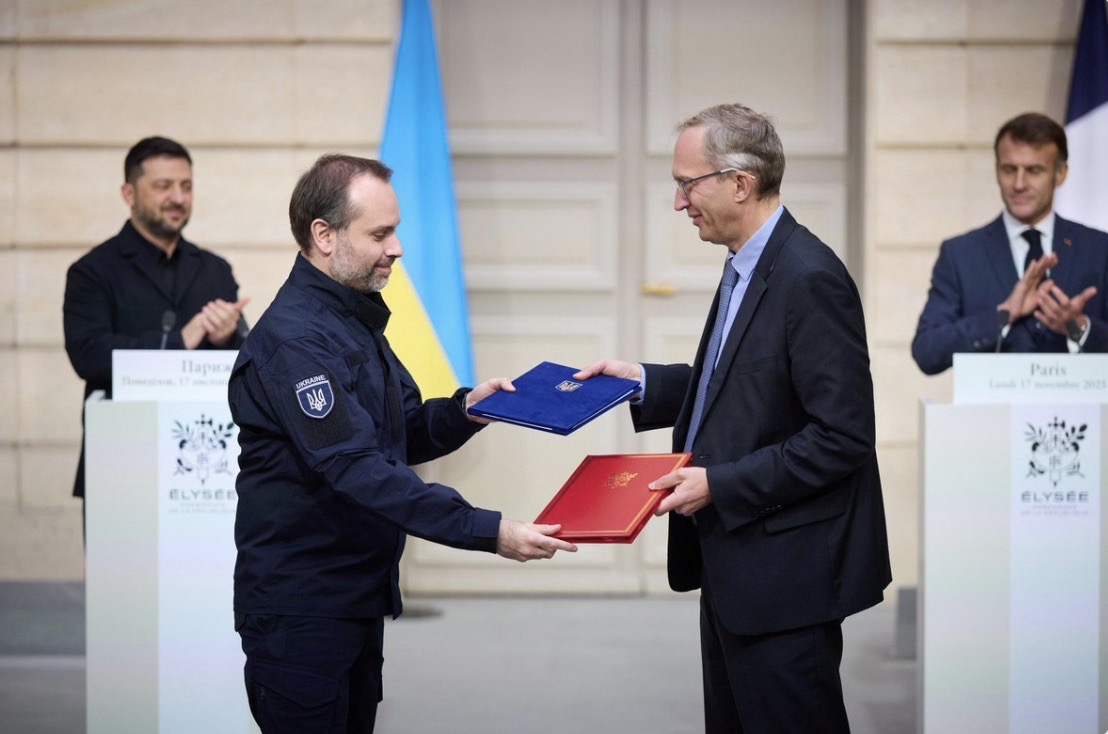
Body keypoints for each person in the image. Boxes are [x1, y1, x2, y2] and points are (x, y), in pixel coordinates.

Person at [228, 153, 577, 733]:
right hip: (303, 606)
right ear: (324, 236)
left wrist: (467, 410)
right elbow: (357, 466)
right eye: (380, 233)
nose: (397, 249)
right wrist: (489, 530)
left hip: (353, 596)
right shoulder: (295, 341)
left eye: (397, 231)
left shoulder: (352, 319)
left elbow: (401, 431)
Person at [576, 104, 891, 733]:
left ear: (739, 183)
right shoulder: (748, 263)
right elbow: (742, 387)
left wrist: (718, 483)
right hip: (736, 559)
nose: (679, 203)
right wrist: (641, 382)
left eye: (687, 184)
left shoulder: (809, 278)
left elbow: (842, 437)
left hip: (785, 573)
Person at [63, 135, 250, 500]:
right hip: (120, 461)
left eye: (186, 186)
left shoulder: (215, 269)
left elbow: (247, 359)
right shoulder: (92, 271)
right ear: (129, 194)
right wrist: (178, 342)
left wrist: (229, 337)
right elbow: (88, 354)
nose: (178, 198)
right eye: (163, 186)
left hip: (206, 467)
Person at [912, 112, 1108, 374]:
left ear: (1060, 174)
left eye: (1034, 171)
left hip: (1081, 413)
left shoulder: (1099, 249)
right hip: (992, 414)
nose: (1018, 184)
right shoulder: (961, 254)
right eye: (1009, 169)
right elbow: (927, 351)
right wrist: (1002, 316)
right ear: (996, 171)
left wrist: (1079, 327)